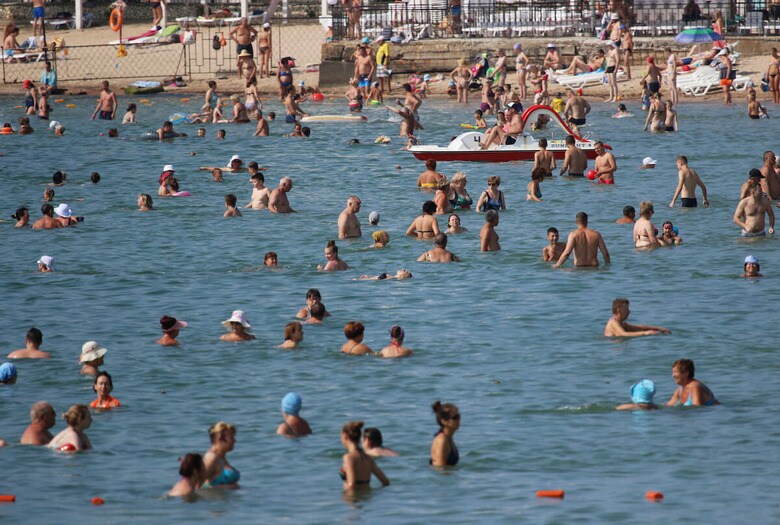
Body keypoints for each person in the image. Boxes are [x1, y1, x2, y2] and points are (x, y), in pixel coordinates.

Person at [340, 421, 390, 491]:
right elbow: (386, 482)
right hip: (368, 499)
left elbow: (351, 484)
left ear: (344, 436)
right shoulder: (368, 458)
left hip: (353, 499)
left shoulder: (348, 457)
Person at [604, 298, 670, 337]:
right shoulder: (613, 322)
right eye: (626, 309)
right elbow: (623, 334)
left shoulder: (622, 324)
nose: (629, 312)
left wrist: (659, 328)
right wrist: (646, 333)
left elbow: (639, 328)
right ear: (618, 310)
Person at [203, 422, 240, 489]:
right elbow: (197, 486)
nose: (235, 441)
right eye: (231, 437)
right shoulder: (210, 458)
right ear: (219, 438)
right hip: (214, 499)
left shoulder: (221, 457)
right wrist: (229, 487)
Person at [430, 400, 459, 467]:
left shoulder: (449, 437)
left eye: (459, 416)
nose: (458, 420)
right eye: (455, 417)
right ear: (444, 421)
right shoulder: (442, 441)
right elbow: (440, 470)